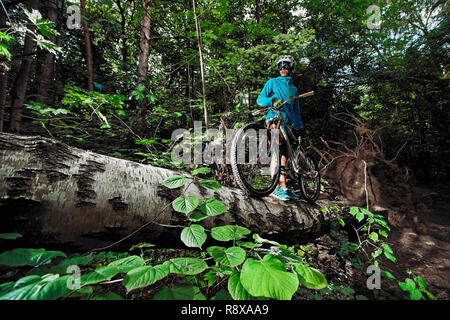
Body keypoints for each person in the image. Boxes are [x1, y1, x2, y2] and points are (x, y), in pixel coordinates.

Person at [256, 55, 306, 200]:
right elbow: (260, 100)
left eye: (286, 65)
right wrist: (272, 99)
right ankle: (275, 186)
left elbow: (296, 110)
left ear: (291, 68)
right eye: (280, 66)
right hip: (273, 118)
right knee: (276, 151)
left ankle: (283, 186)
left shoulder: (294, 89)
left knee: (285, 154)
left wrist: (299, 126)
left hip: (287, 124)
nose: (283, 68)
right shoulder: (272, 82)